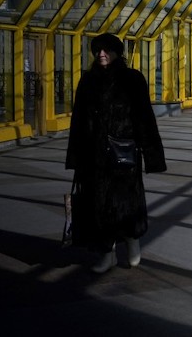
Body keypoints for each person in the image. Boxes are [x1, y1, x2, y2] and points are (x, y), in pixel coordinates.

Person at [65, 33, 166, 274]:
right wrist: (76, 157)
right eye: (97, 50)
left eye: (106, 49)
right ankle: (107, 254)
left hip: (123, 155)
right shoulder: (88, 82)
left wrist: (152, 154)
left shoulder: (132, 79)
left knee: (126, 203)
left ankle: (133, 242)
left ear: (117, 52)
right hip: (94, 157)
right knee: (98, 206)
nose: (101, 54)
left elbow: (144, 118)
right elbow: (78, 122)